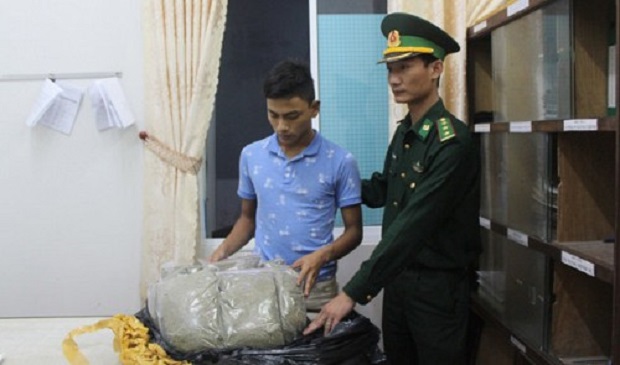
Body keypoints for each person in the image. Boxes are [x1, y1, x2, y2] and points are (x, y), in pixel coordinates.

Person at [303, 12, 481, 365]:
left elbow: (413, 225)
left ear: (436, 69)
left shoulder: (452, 142)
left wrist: (352, 291)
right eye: (390, 69)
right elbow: (384, 189)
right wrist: (328, 181)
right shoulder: (406, 132)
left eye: (405, 67)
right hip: (399, 281)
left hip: (438, 291)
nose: (395, 79)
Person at [209, 60, 363, 312]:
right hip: (264, 284)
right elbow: (247, 220)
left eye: (292, 116)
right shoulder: (251, 155)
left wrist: (322, 255)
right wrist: (221, 253)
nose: (282, 126)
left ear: (314, 109)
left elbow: (354, 232)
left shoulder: (340, 161)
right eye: (274, 115)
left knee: (314, 351)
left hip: (316, 287)